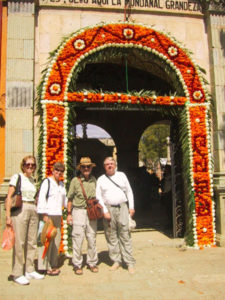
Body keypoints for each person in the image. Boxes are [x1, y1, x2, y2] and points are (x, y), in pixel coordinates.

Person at [5, 155, 44, 285]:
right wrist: (8, 216)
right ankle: (17, 273)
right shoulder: (17, 177)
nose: (30, 167)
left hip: (33, 208)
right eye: (28, 164)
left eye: (33, 165)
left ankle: (29, 269)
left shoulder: (33, 180)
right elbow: (9, 197)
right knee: (20, 242)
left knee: (32, 241)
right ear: (23, 165)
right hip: (21, 209)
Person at [96, 157, 136, 274]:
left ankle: (129, 262)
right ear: (104, 166)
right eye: (107, 164)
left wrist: (131, 207)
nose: (110, 166)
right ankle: (116, 260)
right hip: (109, 209)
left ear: (115, 164)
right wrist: (105, 211)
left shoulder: (122, 175)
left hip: (122, 207)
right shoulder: (101, 179)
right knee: (111, 235)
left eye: (111, 163)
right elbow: (98, 196)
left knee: (125, 234)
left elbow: (129, 191)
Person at [67, 157, 98, 275]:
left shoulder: (94, 180)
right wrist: (69, 214)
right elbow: (69, 198)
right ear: (80, 168)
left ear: (91, 168)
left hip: (91, 212)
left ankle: (92, 262)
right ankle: (77, 264)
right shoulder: (75, 181)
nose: (86, 169)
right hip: (78, 211)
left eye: (88, 167)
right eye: (84, 167)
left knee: (92, 238)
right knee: (77, 238)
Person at [37, 162, 67, 276]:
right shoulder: (47, 182)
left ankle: (53, 263)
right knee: (46, 240)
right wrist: (44, 214)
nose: (58, 172)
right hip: (48, 215)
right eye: (57, 170)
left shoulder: (61, 184)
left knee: (56, 240)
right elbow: (41, 198)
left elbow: (64, 200)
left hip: (57, 215)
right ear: (52, 170)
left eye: (61, 171)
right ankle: (44, 266)